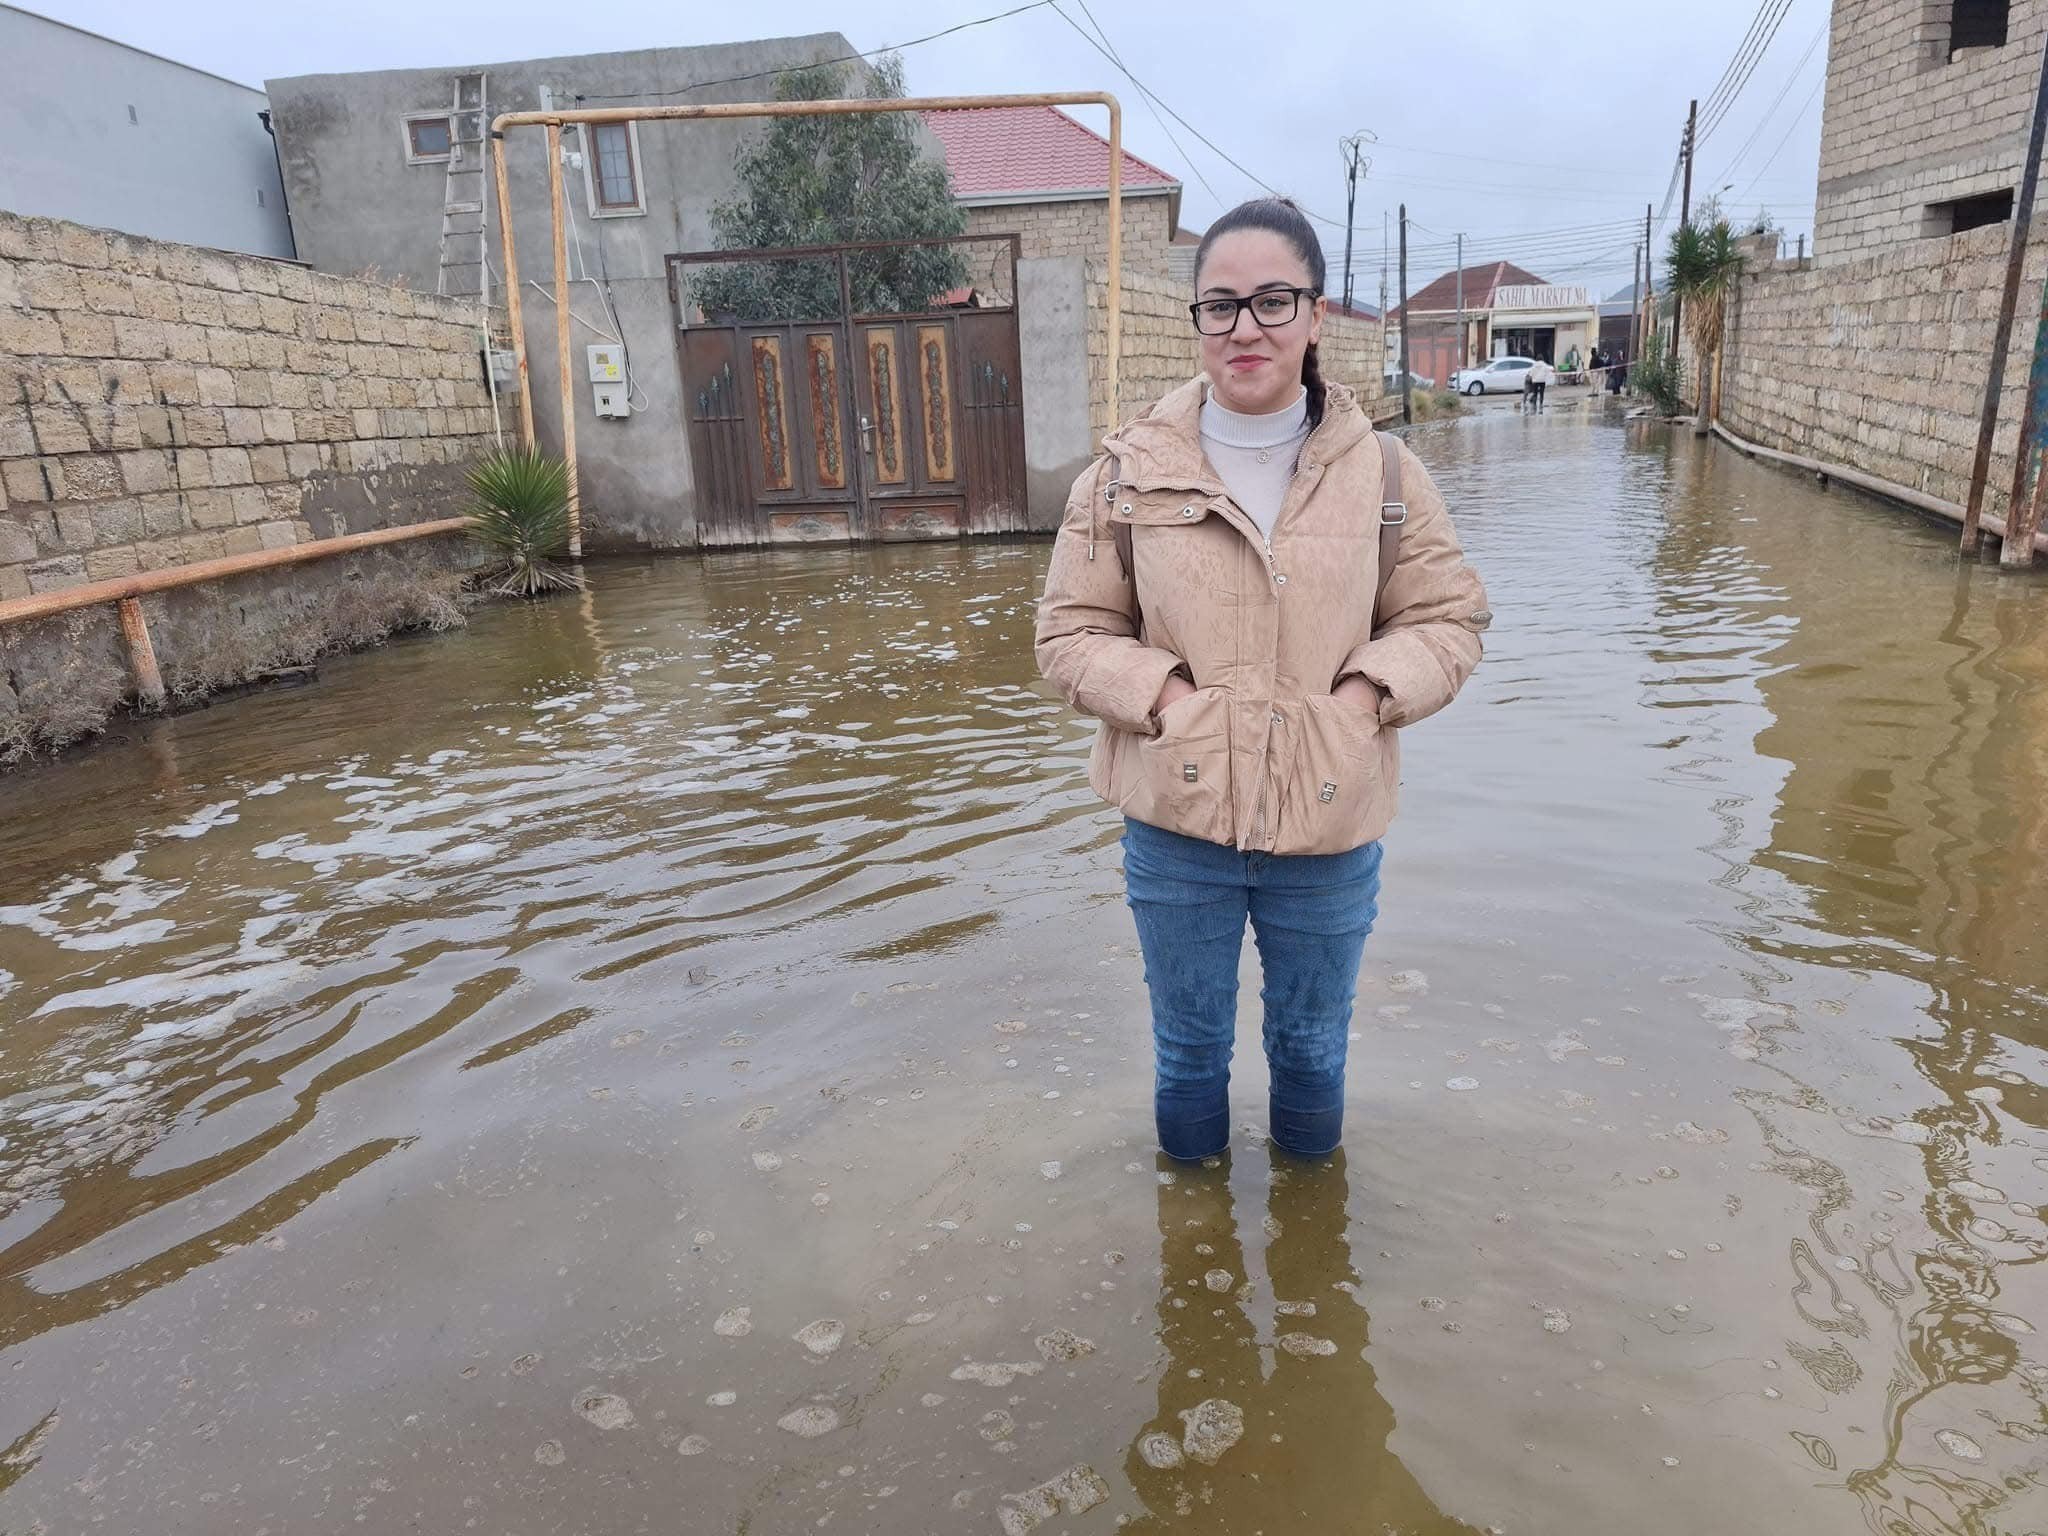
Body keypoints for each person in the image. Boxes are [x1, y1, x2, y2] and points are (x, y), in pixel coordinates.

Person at [1034, 197, 1490, 1161]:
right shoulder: (1123, 477)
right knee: (1188, 1056)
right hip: (1177, 823)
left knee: (1313, 1054)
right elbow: (1070, 634)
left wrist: (1361, 702)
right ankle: (1192, 1238)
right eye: (1221, 305)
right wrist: (1169, 702)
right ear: (1197, 319)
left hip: (1328, 823)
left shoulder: (1387, 475)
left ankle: (1313, 1239)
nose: (1246, 328)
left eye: (1273, 301)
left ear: (1316, 316)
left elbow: (1448, 620)